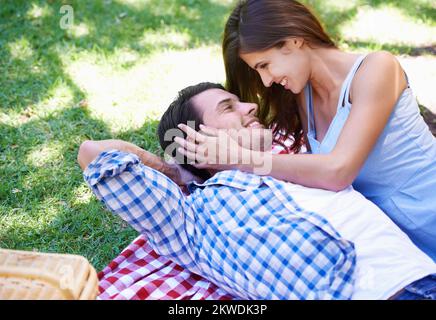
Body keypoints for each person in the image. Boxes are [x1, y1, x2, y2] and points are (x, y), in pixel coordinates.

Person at [78, 82, 436, 300]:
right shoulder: (191, 218)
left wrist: (243, 157)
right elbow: (93, 153)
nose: (250, 107)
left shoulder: (303, 160)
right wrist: (179, 171)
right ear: (196, 139)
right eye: (228, 107)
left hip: (424, 278)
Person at [176, 0, 436, 262]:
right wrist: (186, 163)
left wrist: (240, 159)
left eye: (264, 65)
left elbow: (338, 171)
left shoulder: (377, 69)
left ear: (293, 41)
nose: (266, 80)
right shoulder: (303, 95)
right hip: (398, 241)